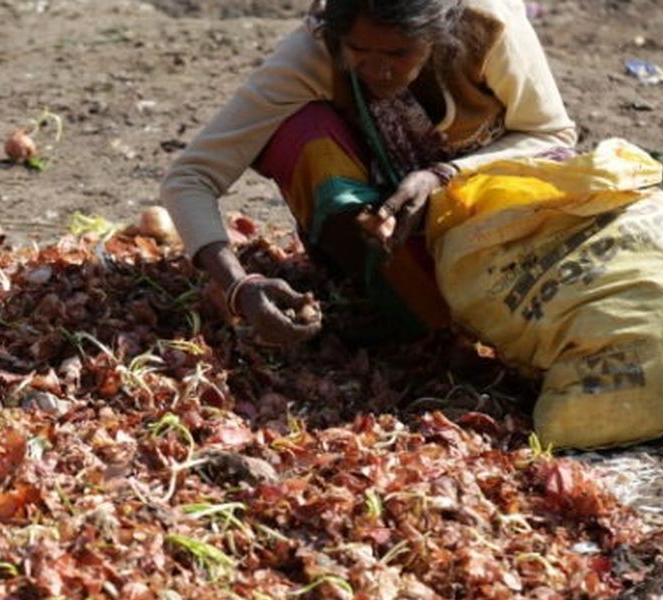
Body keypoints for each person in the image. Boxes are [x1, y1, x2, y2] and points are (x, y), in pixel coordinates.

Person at [161, 0, 576, 346]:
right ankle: (390, 299)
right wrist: (238, 286)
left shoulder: (487, 30)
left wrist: (443, 174)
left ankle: (449, 318)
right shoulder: (317, 50)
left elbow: (552, 134)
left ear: (436, 34)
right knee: (300, 133)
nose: (379, 70)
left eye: (400, 54)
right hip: (381, 223)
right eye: (360, 51)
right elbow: (191, 176)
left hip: (489, 223)